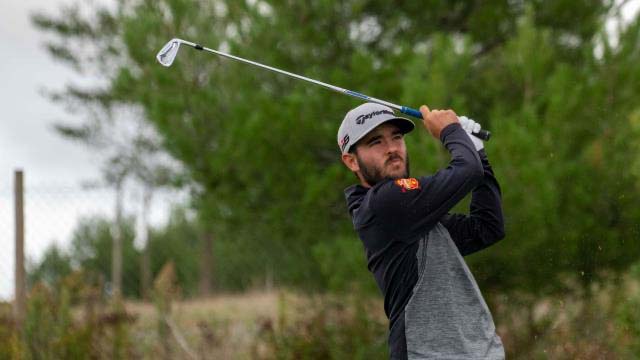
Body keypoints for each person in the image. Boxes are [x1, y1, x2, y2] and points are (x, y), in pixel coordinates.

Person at [338, 102, 506, 359]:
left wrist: (478, 152)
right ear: (352, 161)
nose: (392, 148)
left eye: (396, 137)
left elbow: (487, 227)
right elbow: (467, 170)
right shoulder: (383, 205)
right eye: (376, 142)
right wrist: (451, 131)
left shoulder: (413, 215)